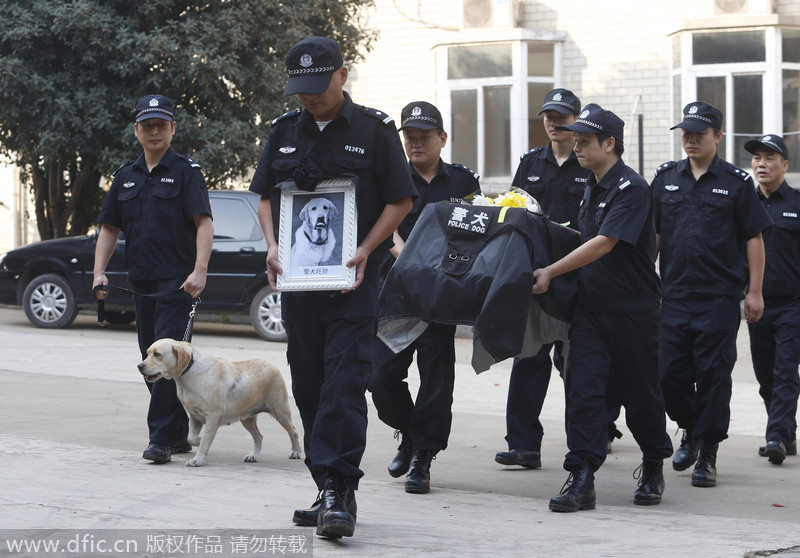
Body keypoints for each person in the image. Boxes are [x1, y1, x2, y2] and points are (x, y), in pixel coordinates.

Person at [248, 37, 415, 539]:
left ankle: (341, 491)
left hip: (352, 287)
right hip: (299, 291)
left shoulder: (375, 130)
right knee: (309, 388)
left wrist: (366, 247)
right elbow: (263, 198)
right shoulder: (282, 132)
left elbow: (400, 201)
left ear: (343, 75)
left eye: (318, 86)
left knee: (344, 387)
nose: (310, 97)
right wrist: (273, 245)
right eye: (301, 90)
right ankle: (324, 486)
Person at [531, 103, 673, 512]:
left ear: (610, 144)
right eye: (575, 139)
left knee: (641, 394)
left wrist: (551, 271)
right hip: (591, 310)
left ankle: (652, 464)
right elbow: (582, 235)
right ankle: (582, 476)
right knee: (584, 392)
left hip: (634, 311)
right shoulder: (592, 185)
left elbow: (604, 242)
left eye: (585, 140)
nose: (577, 146)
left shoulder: (632, 189)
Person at [495, 88, 621, 470]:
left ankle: (594, 433)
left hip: (579, 274)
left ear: (577, 120)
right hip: (536, 274)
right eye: (548, 116)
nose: (552, 123)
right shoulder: (531, 162)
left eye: (561, 117)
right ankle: (523, 444)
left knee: (580, 363)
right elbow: (513, 210)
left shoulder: (590, 162)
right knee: (529, 356)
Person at [652, 102, 772, 487]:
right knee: (669, 374)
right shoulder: (666, 178)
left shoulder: (737, 183)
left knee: (714, 376)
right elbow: (653, 236)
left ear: (717, 137)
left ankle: (708, 453)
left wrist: (754, 292)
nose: (690, 140)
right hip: (672, 295)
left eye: (699, 134)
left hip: (718, 298)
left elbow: (753, 237)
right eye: (685, 133)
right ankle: (690, 428)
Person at [93, 94, 213, 464]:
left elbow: (203, 224)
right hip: (141, 284)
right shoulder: (125, 176)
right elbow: (110, 228)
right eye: (147, 126)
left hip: (178, 286)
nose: (154, 131)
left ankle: (160, 438)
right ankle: (177, 433)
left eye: (161, 125)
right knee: (153, 359)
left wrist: (200, 270)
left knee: (163, 360)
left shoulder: (187, 172)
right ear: (137, 131)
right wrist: (99, 271)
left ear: (173, 128)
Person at [370, 101, 480, 494]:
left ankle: (423, 458)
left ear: (442, 139)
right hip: (396, 293)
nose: (415, 144)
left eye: (424, 137)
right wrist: (407, 256)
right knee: (381, 377)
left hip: (442, 295)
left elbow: (474, 233)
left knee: (436, 379)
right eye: (409, 137)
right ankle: (411, 432)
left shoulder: (463, 181)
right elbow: (383, 226)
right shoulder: (391, 176)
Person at [743, 134, 800, 465]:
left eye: (769, 158)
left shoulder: (796, 203)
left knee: (784, 371)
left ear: (785, 165)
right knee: (766, 375)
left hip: (793, 303)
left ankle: (776, 435)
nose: (761, 164)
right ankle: (786, 432)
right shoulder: (744, 204)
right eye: (756, 158)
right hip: (756, 304)